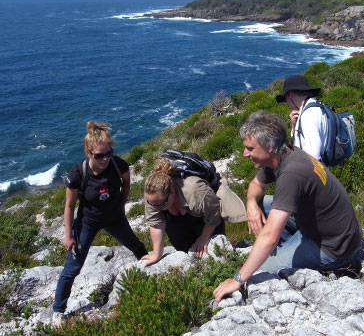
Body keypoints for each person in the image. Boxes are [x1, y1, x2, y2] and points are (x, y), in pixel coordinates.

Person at [213, 111, 362, 304]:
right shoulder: (283, 154)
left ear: (270, 148)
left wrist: (238, 279)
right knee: (262, 203)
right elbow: (255, 186)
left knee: (260, 269)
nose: (245, 154)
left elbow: (269, 237)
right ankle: (282, 250)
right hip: (321, 228)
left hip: (334, 246)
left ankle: (341, 265)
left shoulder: (291, 173)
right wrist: (251, 204)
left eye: (250, 148)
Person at [52, 122, 147, 324]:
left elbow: (126, 182)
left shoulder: (118, 164)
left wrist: (122, 204)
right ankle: (58, 310)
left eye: (108, 153)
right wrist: (68, 235)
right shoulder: (78, 173)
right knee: (73, 267)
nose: (105, 159)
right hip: (88, 222)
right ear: (88, 152)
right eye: (99, 155)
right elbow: (69, 207)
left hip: (114, 218)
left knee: (138, 247)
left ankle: (151, 280)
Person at [142, 157, 246, 265]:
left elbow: (213, 211)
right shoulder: (153, 196)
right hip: (176, 220)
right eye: (152, 204)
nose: (156, 208)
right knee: (185, 254)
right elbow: (156, 224)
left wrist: (204, 237)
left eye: (161, 204)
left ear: (172, 191)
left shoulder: (195, 190)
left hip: (203, 218)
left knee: (215, 252)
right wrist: (157, 254)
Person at [275, 74, 327, 162]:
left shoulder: (308, 115)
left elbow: (314, 156)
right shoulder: (317, 107)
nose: (287, 104)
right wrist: (295, 125)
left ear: (290, 95)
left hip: (312, 173)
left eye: (285, 99)